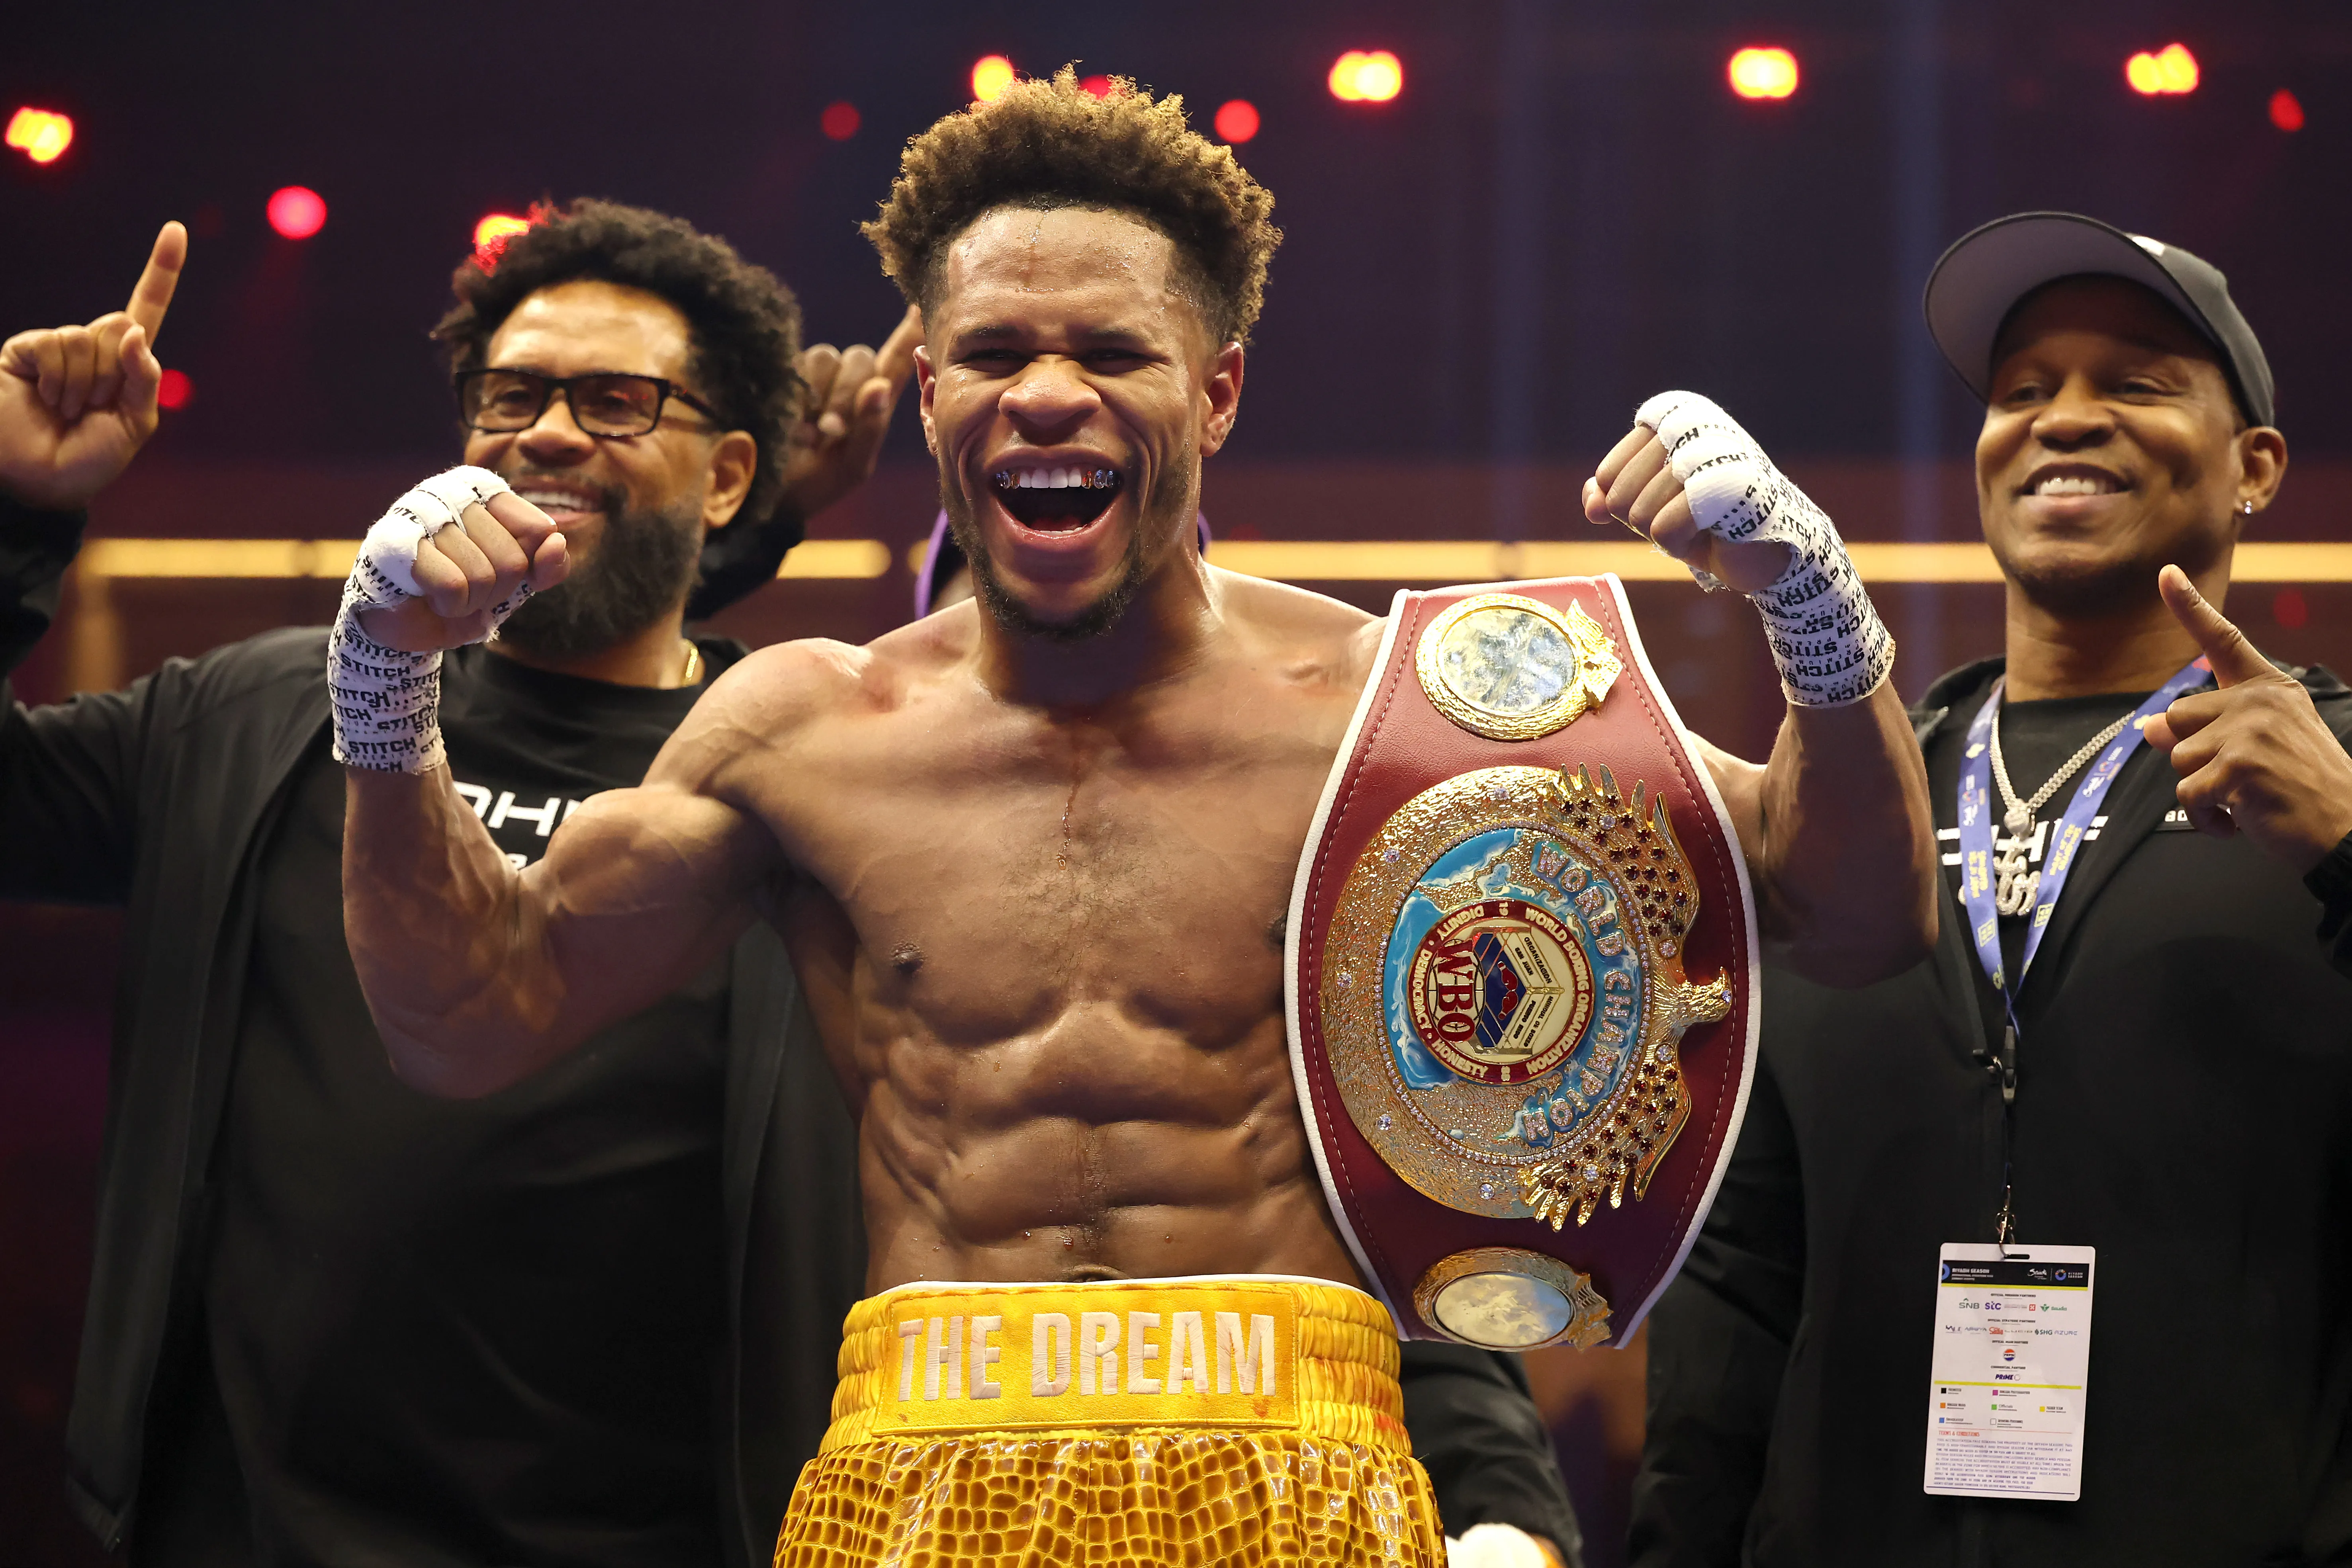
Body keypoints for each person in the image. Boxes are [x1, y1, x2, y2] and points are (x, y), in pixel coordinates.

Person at [333, 71, 1935, 1566]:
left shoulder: (1396, 712)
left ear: (1217, 390)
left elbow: (1854, 914)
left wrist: (1813, 603)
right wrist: (385, 688)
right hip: (920, 1462)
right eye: (993, 352)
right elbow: (474, 1014)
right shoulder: (803, 731)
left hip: (1295, 1449)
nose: (1044, 394)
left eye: (1108, 354)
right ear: (931, 379)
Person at [0, 201, 920, 1567]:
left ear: (730, 475)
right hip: (241, 1531)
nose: (547, 432)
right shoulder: (259, 711)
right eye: (513, 395)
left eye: (616, 400)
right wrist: (17, 514)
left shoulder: (806, 780)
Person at [1630, 211, 2352, 1566]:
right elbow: (1737, 1265)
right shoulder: (1854, 810)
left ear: (2256, 467)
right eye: (2023, 393)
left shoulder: (2340, 776)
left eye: (2132, 382)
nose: (2063, 420)